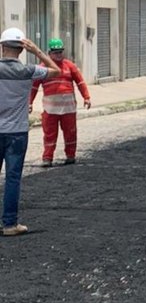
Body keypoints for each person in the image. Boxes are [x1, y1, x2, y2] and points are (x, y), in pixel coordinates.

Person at [0, 27, 60, 236]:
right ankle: (9, 225)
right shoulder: (28, 71)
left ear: (2, 47)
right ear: (22, 49)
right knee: (13, 178)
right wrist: (38, 52)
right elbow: (56, 71)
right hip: (17, 132)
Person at [29, 38, 91, 167]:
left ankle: (70, 156)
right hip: (50, 108)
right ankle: (47, 158)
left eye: (60, 52)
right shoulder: (42, 68)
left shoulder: (70, 66)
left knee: (70, 132)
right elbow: (34, 87)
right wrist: (29, 103)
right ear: (49, 53)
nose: (58, 55)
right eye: (55, 52)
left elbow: (80, 82)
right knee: (49, 133)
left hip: (68, 108)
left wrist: (86, 97)